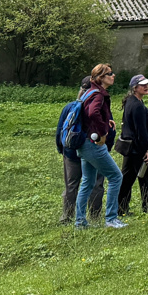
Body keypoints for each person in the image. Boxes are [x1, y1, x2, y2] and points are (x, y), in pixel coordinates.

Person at [74, 63, 127, 230]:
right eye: (109, 73)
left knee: (88, 182)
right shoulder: (98, 95)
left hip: (83, 143)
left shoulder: (88, 92)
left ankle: (80, 222)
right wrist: (103, 131)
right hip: (94, 144)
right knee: (116, 177)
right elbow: (92, 113)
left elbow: (89, 114)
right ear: (100, 78)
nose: (113, 75)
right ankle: (111, 219)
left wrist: (105, 120)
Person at [57, 75, 103, 223]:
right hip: (93, 151)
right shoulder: (98, 107)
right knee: (96, 184)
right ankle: (94, 216)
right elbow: (106, 131)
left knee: (71, 185)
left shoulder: (69, 107)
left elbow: (60, 132)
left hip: (71, 152)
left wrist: (63, 150)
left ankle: (67, 216)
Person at [117, 73, 148, 216]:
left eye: (147, 84)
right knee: (145, 177)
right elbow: (141, 130)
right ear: (135, 88)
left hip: (130, 147)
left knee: (127, 178)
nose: (146, 87)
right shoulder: (136, 105)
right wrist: (147, 150)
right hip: (138, 148)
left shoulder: (131, 101)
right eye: (143, 85)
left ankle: (121, 207)